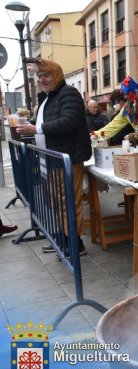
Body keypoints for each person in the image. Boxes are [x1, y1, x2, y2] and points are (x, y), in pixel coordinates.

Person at [16, 58, 91, 257]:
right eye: (40, 76)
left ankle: (75, 243)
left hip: (68, 158)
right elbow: (48, 122)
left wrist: (36, 127)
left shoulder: (69, 93)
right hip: (53, 159)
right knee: (58, 202)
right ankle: (63, 237)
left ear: (56, 74)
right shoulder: (50, 98)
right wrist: (30, 125)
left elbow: (68, 121)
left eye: (46, 75)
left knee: (68, 202)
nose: (42, 80)